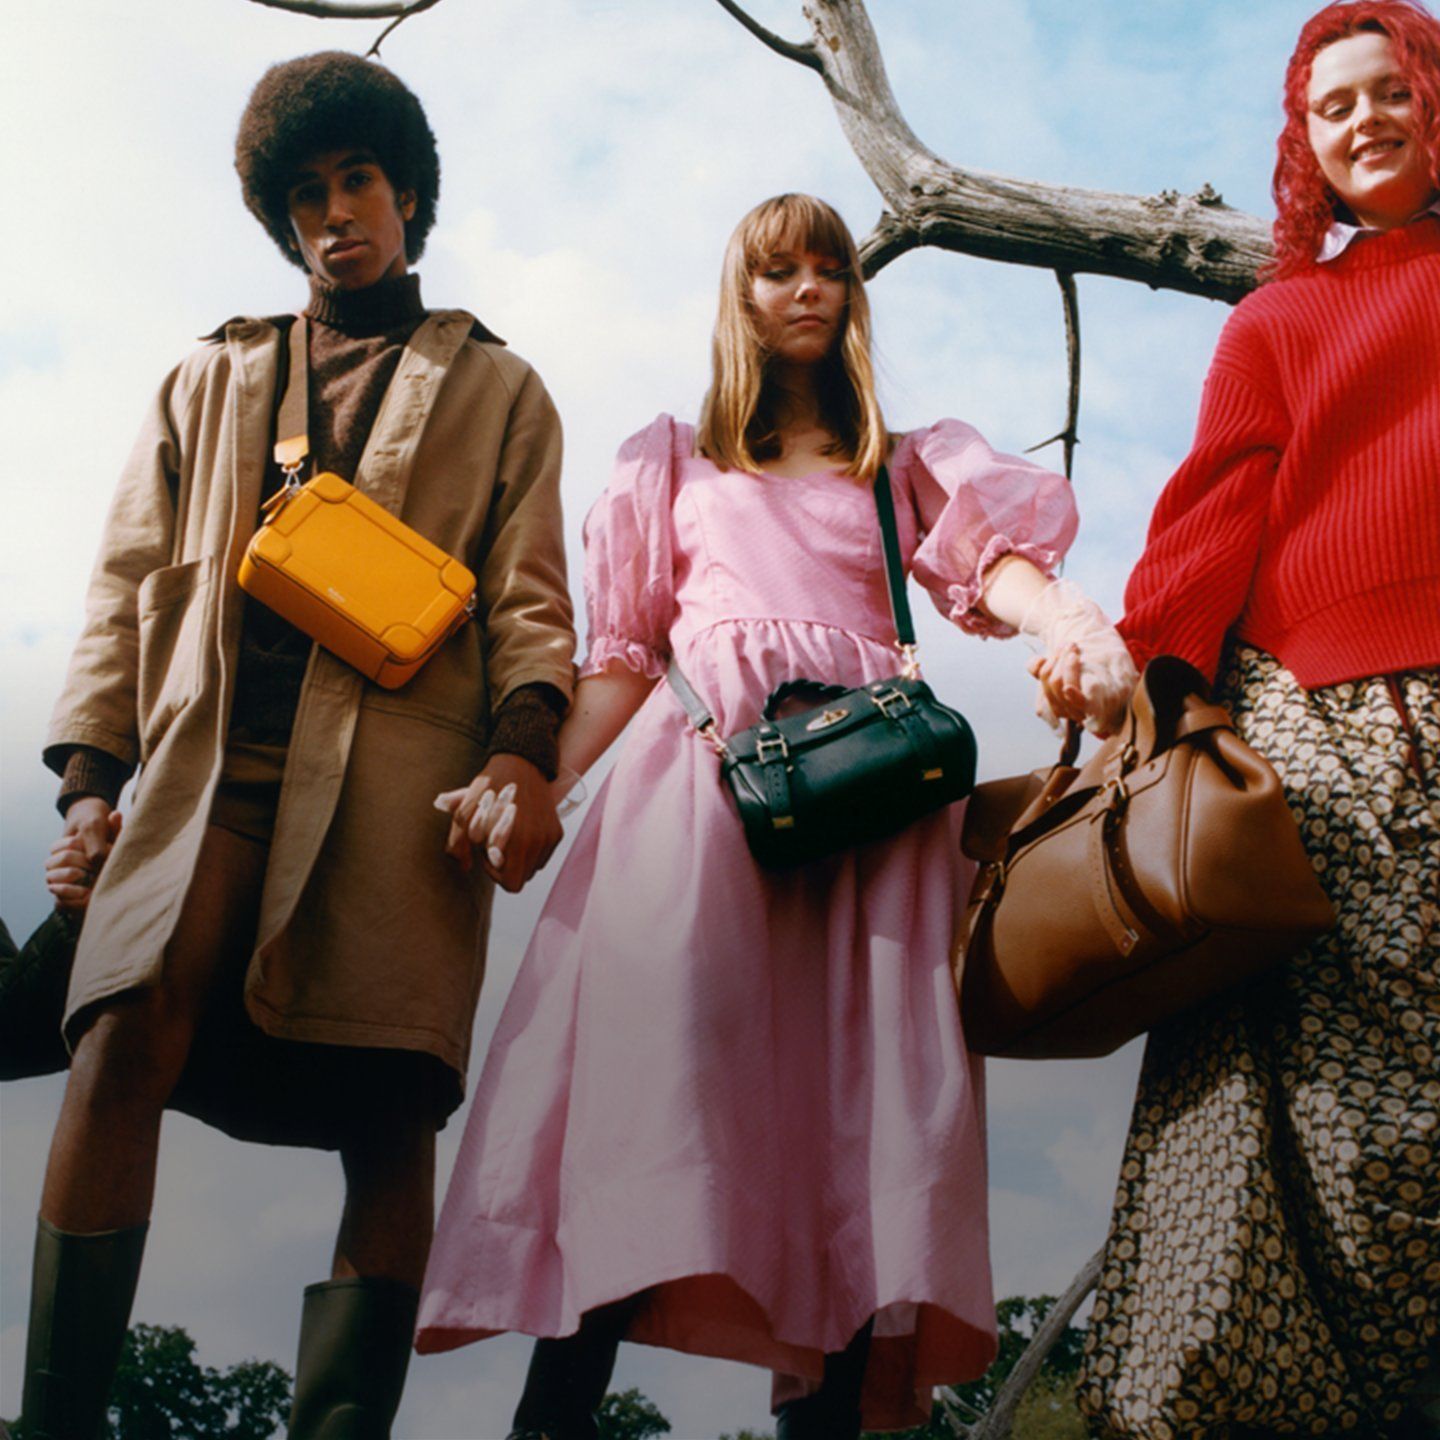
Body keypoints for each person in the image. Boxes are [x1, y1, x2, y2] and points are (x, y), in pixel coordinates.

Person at [415, 193, 1134, 1439]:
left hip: (878, 826)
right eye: (777, 270)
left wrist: (1071, 624)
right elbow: (626, 657)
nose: (807, 288)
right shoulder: (672, 459)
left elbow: (997, 568)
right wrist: (535, 780)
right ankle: (552, 1420)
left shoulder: (900, 463)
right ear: (739, 297)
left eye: (829, 268)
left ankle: (830, 1414)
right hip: (704, 809)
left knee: (861, 1127)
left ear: (853, 295)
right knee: (643, 1102)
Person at [19, 51, 575, 1440]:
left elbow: (530, 602)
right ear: (283, 220)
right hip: (206, 783)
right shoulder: (207, 376)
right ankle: (54, 1417)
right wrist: (92, 788)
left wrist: (520, 752)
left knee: (392, 1110)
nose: (337, 213)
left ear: (408, 197)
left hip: (400, 793)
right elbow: (122, 585)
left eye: (360, 182)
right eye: (308, 193)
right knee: (119, 1032)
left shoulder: (504, 391)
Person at [1077, 4, 1440, 1436]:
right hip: (1324, 749)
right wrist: (1137, 671)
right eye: (1330, 107)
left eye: (1389, 90)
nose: (1363, 121)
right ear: (1307, 147)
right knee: (1316, 1127)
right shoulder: (1278, 320)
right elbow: (1209, 521)